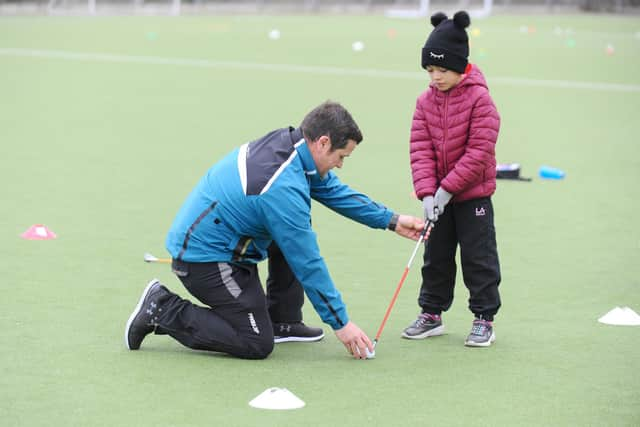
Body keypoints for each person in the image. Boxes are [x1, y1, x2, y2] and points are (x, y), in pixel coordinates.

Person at [125, 101, 425, 360]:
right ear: (322, 142)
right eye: (341, 156)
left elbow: (333, 191)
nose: (340, 165)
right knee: (255, 342)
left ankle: (284, 319)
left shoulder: (292, 147)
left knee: (294, 228)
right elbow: (307, 261)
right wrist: (341, 324)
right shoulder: (281, 186)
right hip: (204, 260)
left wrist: (392, 220)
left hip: (223, 242)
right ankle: (161, 308)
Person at [402, 11, 502, 347]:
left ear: (460, 65)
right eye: (430, 70)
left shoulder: (481, 100)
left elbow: (479, 152)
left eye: (442, 70)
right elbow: (420, 149)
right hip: (438, 200)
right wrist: (428, 194)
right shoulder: (424, 102)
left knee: (479, 258)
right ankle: (431, 314)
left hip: (472, 197)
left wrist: (447, 190)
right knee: (436, 257)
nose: (435, 77)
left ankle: (483, 318)